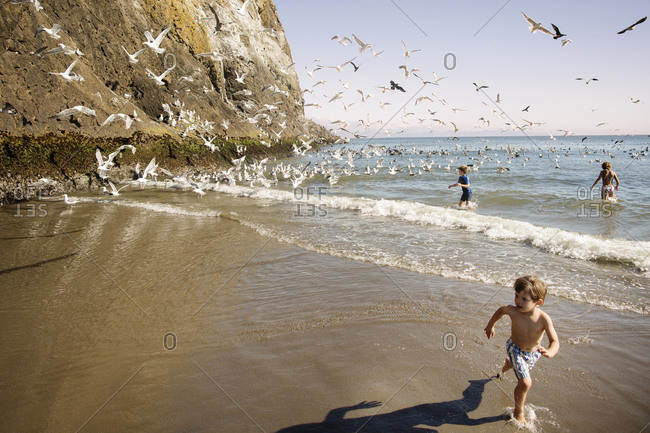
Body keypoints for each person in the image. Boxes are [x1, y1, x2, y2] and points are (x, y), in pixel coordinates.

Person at [483, 275, 559, 425]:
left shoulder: (544, 319)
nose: (518, 301)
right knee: (525, 383)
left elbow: (554, 341)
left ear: (539, 302)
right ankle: (518, 412)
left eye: (524, 299)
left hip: (533, 353)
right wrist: (491, 325)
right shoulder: (513, 311)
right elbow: (501, 310)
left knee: (520, 371)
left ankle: (508, 364)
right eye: (517, 296)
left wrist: (550, 351)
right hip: (514, 348)